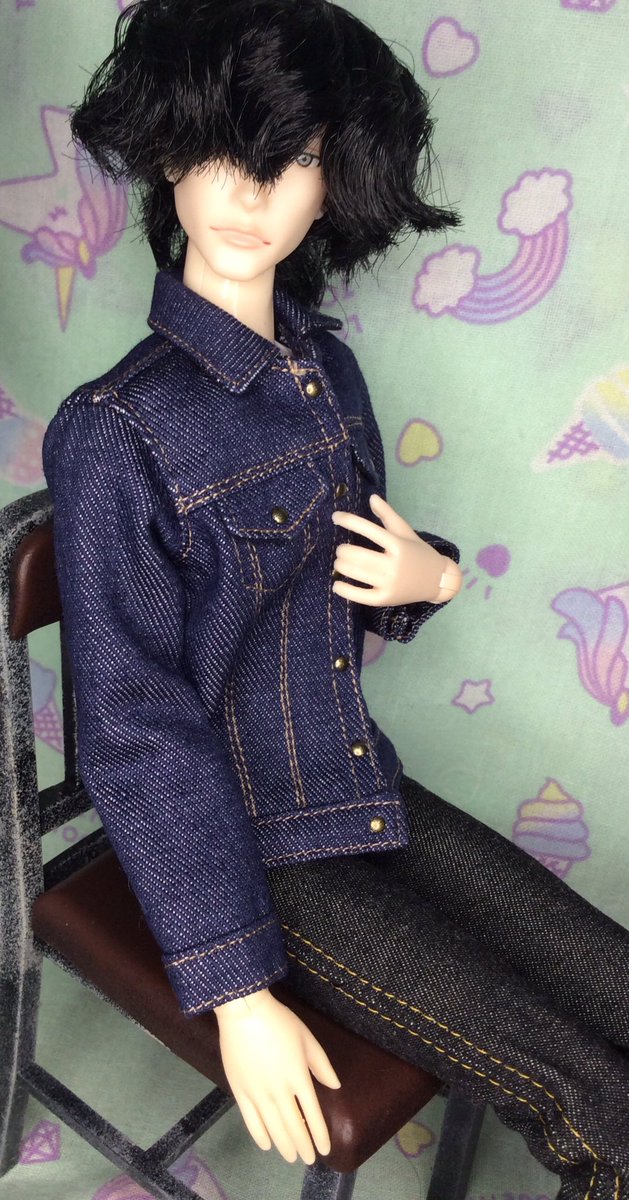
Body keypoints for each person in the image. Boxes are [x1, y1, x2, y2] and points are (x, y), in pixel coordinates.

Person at [43, 1, 629, 1194]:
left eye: (293, 158)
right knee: (590, 1095)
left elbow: (341, 577)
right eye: (221, 146)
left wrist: (428, 576)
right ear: (166, 149)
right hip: (247, 849)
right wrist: (235, 987)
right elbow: (133, 726)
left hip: (357, 783)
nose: (249, 191)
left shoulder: (327, 371)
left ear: (334, 186)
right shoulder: (114, 430)